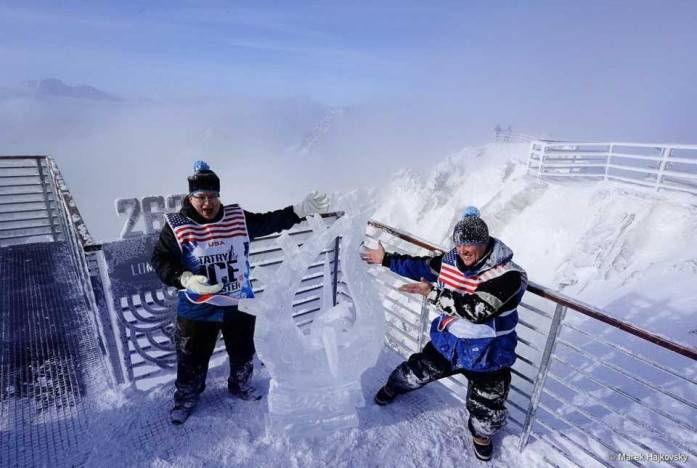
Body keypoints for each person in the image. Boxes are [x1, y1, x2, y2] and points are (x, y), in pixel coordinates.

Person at [151, 160, 329, 425]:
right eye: (201, 197)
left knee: (243, 352)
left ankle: (240, 384)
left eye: (212, 196)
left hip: (239, 303)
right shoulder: (177, 225)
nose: (207, 203)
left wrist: (298, 210)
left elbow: (269, 222)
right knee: (191, 358)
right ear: (190, 197)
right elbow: (160, 259)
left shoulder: (237, 217)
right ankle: (186, 397)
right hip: (197, 307)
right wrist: (184, 277)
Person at [361, 207, 527, 461]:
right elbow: (421, 267)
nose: (463, 251)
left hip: (488, 357)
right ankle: (394, 387)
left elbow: (477, 310)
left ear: (484, 243)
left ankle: (481, 435)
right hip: (448, 344)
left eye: (469, 245)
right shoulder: (452, 260)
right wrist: (386, 259)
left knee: (487, 408)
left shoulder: (509, 276)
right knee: (413, 372)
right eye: (459, 245)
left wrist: (432, 293)